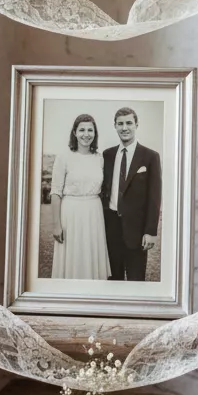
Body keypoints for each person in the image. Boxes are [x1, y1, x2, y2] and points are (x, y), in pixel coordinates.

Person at [102, 107, 162, 282]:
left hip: (136, 230)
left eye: (129, 123)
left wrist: (151, 231)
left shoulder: (150, 157)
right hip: (110, 227)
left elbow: (155, 197)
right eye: (120, 124)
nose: (124, 128)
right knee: (114, 279)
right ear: (115, 126)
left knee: (136, 279)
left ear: (136, 125)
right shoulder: (108, 155)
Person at [50, 114, 110, 280]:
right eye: (82, 129)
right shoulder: (64, 157)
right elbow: (55, 192)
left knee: (91, 253)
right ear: (75, 132)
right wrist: (56, 225)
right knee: (72, 254)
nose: (86, 134)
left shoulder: (99, 158)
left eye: (90, 130)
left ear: (95, 133)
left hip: (93, 212)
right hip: (71, 212)